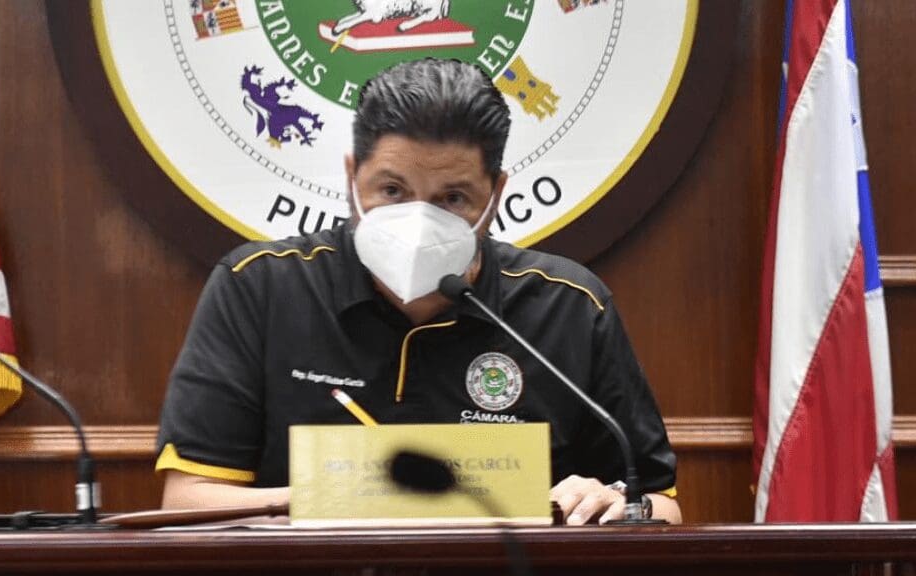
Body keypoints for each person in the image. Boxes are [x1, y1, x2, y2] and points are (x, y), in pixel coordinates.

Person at [156, 58, 680, 524]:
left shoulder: (571, 306)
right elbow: (187, 501)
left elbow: (663, 504)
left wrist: (613, 500)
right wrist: (351, 499)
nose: (419, 220)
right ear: (351, 176)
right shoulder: (258, 287)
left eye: (452, 198)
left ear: (496, 194)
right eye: (392, 191)